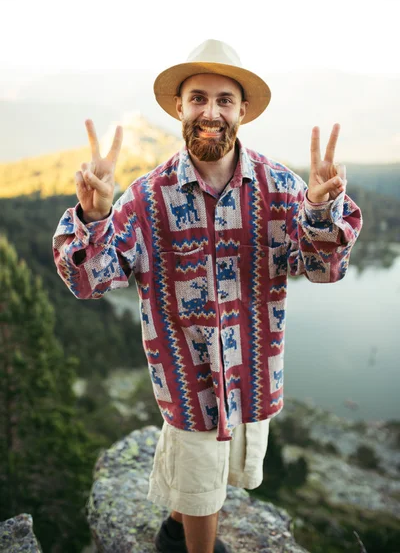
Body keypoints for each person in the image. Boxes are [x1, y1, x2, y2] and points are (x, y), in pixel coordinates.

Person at [52, 39, 363, 553]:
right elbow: (90, 282)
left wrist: (319, 212)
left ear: (242, 111)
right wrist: (94, 218)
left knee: (211, 477)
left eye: (223, 100)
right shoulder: (147, 198)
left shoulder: (281, 187)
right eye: (198, 98)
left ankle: (173, 533)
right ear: (180, 107)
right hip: (186, 379)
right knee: (202, 486)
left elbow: (324, 270)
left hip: (251, 371)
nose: (210, 112)